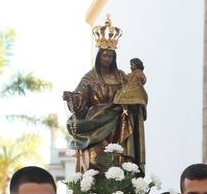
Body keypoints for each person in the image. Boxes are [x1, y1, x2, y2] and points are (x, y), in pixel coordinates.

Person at [62, 17, 145, 168]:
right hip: (96, 124)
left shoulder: (121, 76)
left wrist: (133, 103)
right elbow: (80, 98)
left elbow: (132, 93)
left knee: (118, 164)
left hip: (119, 125)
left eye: (111, 56)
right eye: (105, 55)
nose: (107, 59)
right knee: (96, 161)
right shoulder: (90, 78)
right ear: (99, 56)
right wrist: (71, 98)